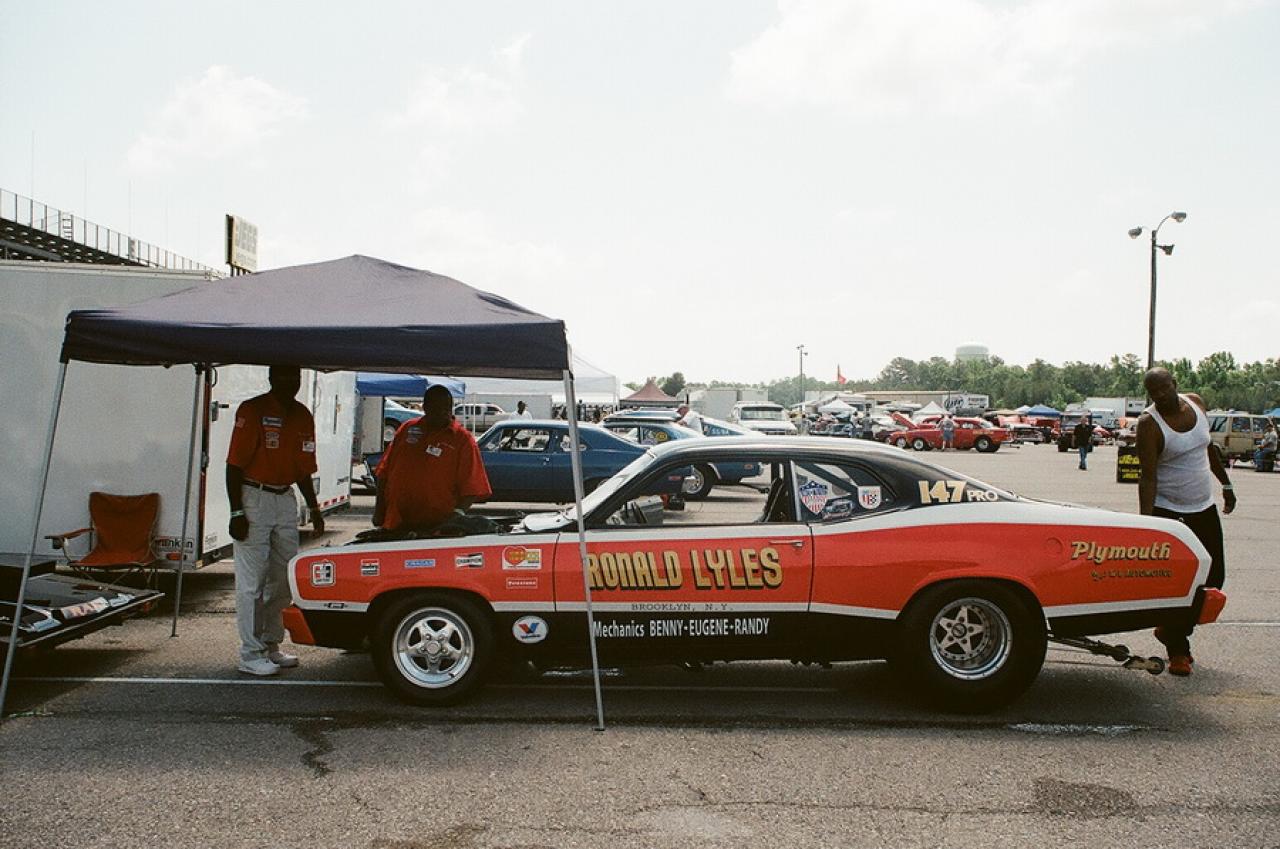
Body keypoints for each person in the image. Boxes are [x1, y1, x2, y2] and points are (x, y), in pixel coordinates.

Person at [1136, 367, 1236, 677]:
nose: (1160, 395)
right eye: (1153, 392)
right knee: (1179, 582)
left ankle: (1171, 630)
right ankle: (1178, 650)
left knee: (1214, 578)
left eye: (1164, 388)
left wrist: (1226, 484)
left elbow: (1208, 449)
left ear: (1174, 384)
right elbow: (1147, 477)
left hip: (1203, 507)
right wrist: (1147, 525)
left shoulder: (1196, 403)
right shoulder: (1149, 424)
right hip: (1170, 512)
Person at [226, 366, 323, 677]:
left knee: (283, 578)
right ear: (271, 379)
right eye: (283, 378)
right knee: (252, 582)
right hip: (254, 495)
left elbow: (303, 469)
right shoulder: (253, 410)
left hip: (284, 497)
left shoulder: (302, 415)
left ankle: (271, 644)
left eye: (295, 378)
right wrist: (236, 511)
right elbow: (233, 465)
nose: (290, 383)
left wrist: (315, 508)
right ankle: (250, 653)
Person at [374, 384, 492, 531]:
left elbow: (473, 486)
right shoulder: (407, 429)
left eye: (446, 409)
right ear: (425, 408)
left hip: (436, 526)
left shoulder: (462, 439)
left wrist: (456, 515)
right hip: (396, 521)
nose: (442, 413)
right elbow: (383, 473)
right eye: (436, 409)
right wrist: (379, 510)